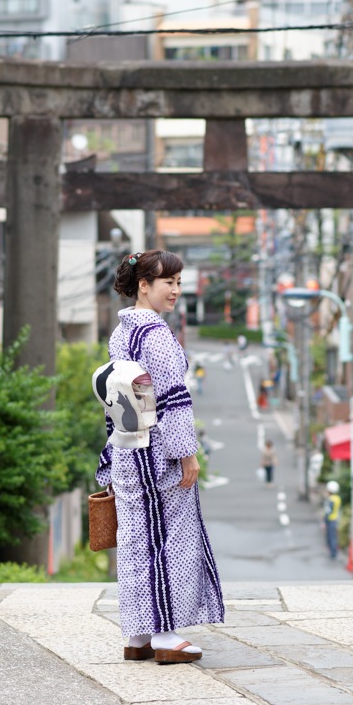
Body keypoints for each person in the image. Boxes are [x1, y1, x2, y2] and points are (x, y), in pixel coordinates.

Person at [95, 250, 224, 664]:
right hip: (158, 456)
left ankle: (137, 636)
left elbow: (115, 398)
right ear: (144, 285)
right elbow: (173, 401)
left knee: (134, 544)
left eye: (179, 282)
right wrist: (187, 454)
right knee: (170, 542)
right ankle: (167, 638)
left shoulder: (121, 333)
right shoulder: (158, 335)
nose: (176, 290)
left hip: (127, 453)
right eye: (167, 282)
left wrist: (110, 456)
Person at [324, 481, 342, 560]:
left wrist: (324, 521)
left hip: (330, 520)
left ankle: (333, 553)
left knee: (331, 537)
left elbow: (328, 511)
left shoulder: (330, 499)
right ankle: (333, 552)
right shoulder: (337, 498)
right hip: (336, 519)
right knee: (334, 536)